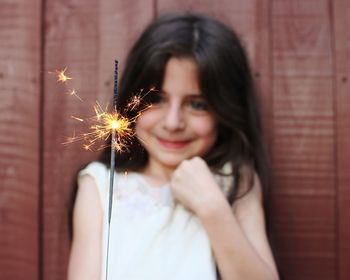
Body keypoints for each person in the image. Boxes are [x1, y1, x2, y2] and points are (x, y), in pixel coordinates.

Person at [67, 12, 279, 280]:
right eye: (156, 99)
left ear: (225, 110)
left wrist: (212, 208)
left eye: (197, 104)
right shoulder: (100, 185)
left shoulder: (235, 181)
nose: (173, 121)